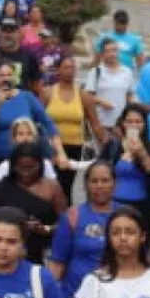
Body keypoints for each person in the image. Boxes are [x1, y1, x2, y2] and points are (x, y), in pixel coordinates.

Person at [48, 161, 122, 298]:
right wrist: (48, 296)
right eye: (94, 181)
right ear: (86, 185)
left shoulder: (126, 215)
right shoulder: (73, 216)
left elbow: (141, 259)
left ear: (115, 183)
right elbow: (57, 262)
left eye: (105, 180)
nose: (100, 186)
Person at [0, 61, 64, 189]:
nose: (5, 78)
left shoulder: (26, 97)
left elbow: (47, 123)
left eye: (9, 75)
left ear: (14, 77)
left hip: (24, 157)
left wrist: (60, 152)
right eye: (1, 75)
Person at [98, 104, 150, 247]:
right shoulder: (113, 146)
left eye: (138, 122)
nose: (134, 126)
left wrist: (142, 153)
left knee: (140, 248)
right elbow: (99, 170)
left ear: (145, 124)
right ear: (123, 123)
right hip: (114, 204)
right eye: (130, 121)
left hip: (141, 207)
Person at [0, 143, 66, 265]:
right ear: (13, 166)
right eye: (21, 168)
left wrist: (45, 229)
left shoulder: (52, 187)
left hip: (42, 252)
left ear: (40, 165)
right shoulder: (3, 188)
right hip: (7, 251)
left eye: (31, 168)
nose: (26, 173)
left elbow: (65, 223)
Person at [44, 54, 102, 202]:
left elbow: (95, 124)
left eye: (72, 68)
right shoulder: (48, 93)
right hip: (51, 147)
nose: (70, 71)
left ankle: (66, 218)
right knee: (51, 184)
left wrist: (108, 145)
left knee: (66, 186)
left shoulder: (83, 96)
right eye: (66, 67)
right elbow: (38, 121)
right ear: (58, 70)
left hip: (74, 146)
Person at [0, 18, 42, 94]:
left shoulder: (29, 56)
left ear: (19, 34)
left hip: (21, 102)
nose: (7, 35)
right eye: (4, 31)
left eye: (11, 31)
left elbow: (37, 86)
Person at [84, 38, 136, 129]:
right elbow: (86, 96)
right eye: (108, 51)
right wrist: (101, 101)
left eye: (114, 50)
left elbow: (130, 96)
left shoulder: (127, 72)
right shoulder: (96, 72)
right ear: (102, 54)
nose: (112, 54)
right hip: (101, 123)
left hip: (121, 124)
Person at [0, 118, 59, 184]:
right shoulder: (5, 167)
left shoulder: (46, 164)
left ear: (35, 138)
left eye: (29, 134)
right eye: (20, 134)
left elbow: (53, 188)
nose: (25, 138)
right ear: (14, 138)